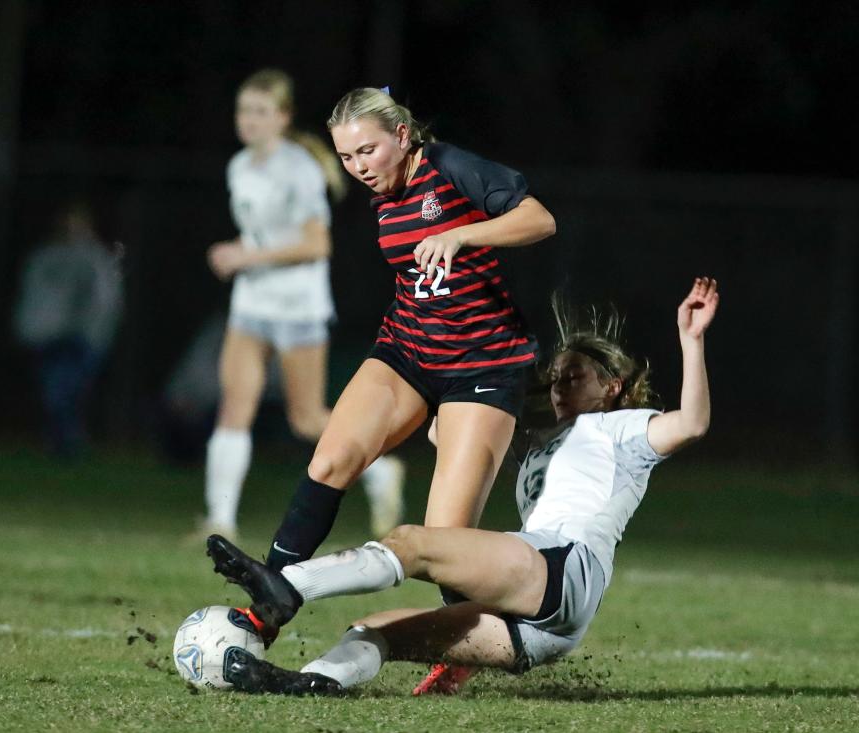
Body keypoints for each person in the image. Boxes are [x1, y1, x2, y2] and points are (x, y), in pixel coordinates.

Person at [204, 277, 720, 696]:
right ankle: (308, 682)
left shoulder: (624, 429)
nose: (559, 387)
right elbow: (442, 431)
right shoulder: (540, 445)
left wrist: (691, 342)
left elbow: (693, 423)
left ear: (611, 386)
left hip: (564, 566)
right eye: (556, 378)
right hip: (547, 623)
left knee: (412, 542)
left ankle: (287, 587)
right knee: (374, 629)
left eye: (575, 377)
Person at [258, 86, 557, 582]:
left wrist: (460, 233)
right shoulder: (384, 195)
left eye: (367, 150)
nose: (359, 167)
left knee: (443, 544)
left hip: (482, 364)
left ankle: (481, 641)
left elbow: (539, 219)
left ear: (401, 134)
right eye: (346, 157)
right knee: (331, 461)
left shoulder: (447, 165)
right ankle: (267, 599)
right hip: (407, 351)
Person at [200, 70, 405, 541]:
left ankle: (379, 471)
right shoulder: (239, 167)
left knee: (307, 418)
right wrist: (236, 250)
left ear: (283, 117)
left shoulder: (299, 168)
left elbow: (317, 245)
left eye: (260, 112)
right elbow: (266, 237)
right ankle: (220, 521)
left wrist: (246, 255)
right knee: (234, 407)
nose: (248, 121)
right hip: (251, 303)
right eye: (243, 111)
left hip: (298, 308)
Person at [13, 203, 123, 457]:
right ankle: (62, 444)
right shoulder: (45, 256)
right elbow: (32, 297)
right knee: (53, 393)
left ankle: (67, 445)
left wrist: (93, 333)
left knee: (67, 393)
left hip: (82, 338)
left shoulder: (96, 258)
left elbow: (105, 300)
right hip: (48, 336)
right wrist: (29, 329)